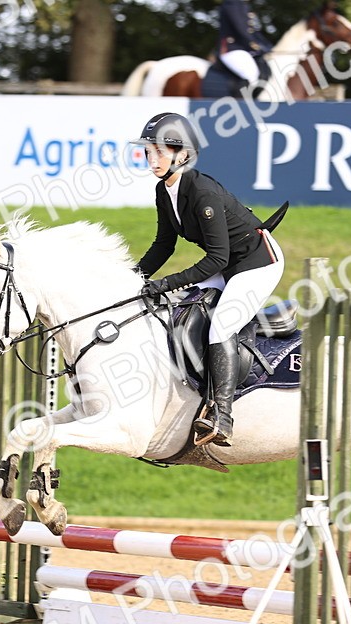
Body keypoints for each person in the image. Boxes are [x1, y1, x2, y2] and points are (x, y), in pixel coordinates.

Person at [133, 112, 286, 447]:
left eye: (160, 151)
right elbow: (163, 245)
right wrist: (133, 279)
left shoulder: (203, 192)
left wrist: (166, 283)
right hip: (228, 261)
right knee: (183, 310)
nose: (152, 159)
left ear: (183, 154)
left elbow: (216, 258)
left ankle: (222, 415)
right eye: (149, 151)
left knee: (221, 326)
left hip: (257, 263)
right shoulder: (164, 190)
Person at [215, 0, 273, 85]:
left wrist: (267, 46)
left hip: (244, 49)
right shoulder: (232, 3)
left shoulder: (243, 5)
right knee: (252, 75)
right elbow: (241, 29)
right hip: (233, 49)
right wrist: (257, 46)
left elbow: (254, 32)